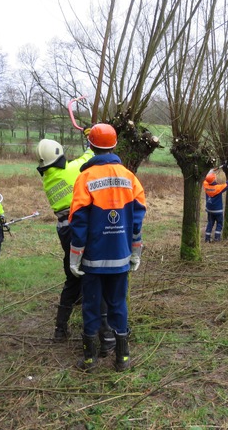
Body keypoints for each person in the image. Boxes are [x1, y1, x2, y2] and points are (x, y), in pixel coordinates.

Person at [69, 123, 147, 372]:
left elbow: (79, 220)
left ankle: (90, 360)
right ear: (114, 146)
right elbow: (137, 220)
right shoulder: (129, 177)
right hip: (120, 257)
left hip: (93, 259)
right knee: (118, 304)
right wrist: (135, 252)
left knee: (92, 306)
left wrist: (75, 255)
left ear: (90, 146)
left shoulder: (85, 177)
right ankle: (122, 358)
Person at [36, 138, 115, 352]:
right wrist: (91, 141)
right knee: (93, 274)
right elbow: (89, 157)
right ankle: (106, 333)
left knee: (72, 279)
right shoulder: (69, 170)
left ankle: (60, 329)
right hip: (77, 227)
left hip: (64, 229)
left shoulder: (49, 177)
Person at [203, 169, 228, 242]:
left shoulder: (206, 185)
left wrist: (210, 171)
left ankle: (207, 238)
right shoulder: (218, 188)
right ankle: (217, 238)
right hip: (218, 210)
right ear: (214, 179)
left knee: (210, 223)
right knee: (219, 223)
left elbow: (206, 179)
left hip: (209, 209)